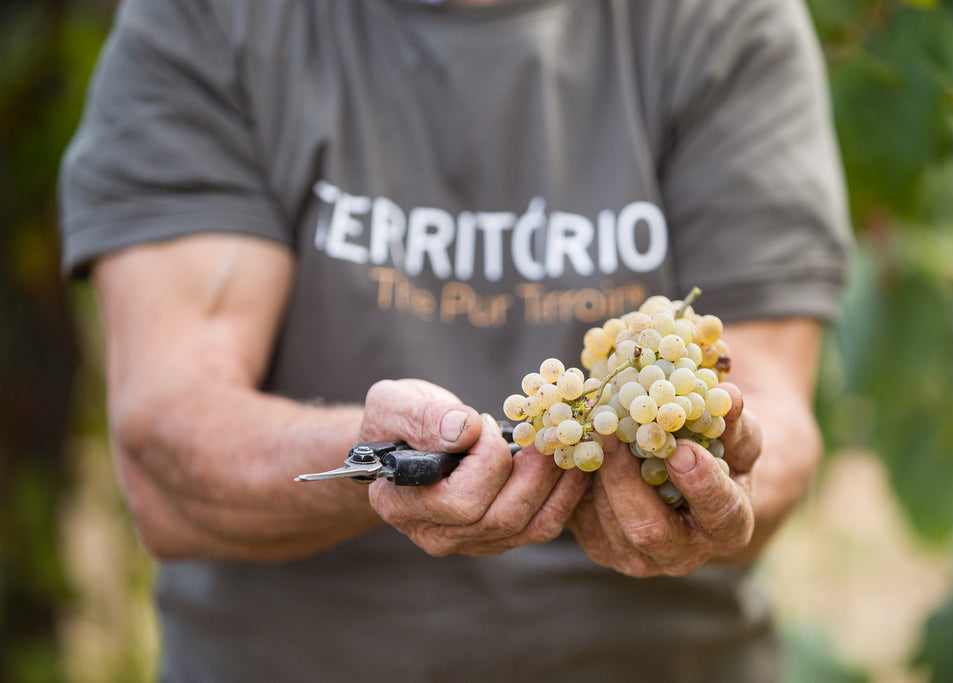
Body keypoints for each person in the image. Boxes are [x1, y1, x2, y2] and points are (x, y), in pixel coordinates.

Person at [59, 0, 852, 680]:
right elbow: (166, 447)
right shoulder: (216, 19)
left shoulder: (720, 19)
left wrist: (717, 473)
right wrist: (375, 460)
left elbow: (775, 409)